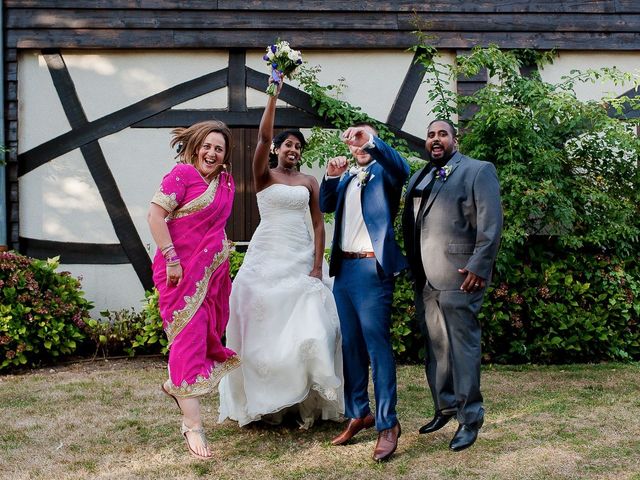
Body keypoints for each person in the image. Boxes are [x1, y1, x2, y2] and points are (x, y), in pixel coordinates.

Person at [217, 76, 344, 429]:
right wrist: (273, 93)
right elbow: (260, 136)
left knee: (313, 322)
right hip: (267, 255)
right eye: (287, 144)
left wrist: (317, 266)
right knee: (263, 323)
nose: (293, 150)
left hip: (301, 255)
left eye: (298, 147)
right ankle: (267, 400)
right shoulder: (264, 176)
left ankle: (307, 397)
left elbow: (319, 225)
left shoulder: (309, 182)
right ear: (276, 149)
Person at [402, 119, 503, 452]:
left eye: (441, 134)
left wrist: (479, 266)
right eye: (430, 134)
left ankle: (470, 418)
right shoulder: (420, 176)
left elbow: (491, 222)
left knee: (462, 348)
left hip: (460, 274)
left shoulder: (477, 170)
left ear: (454, 140)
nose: (435, 139)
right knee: (436, 346)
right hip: (426, 277)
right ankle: (444, 407)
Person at [147, 120, 241, 461]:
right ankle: (192, 424)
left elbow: (214, 225)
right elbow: (155, 217)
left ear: (225, 154)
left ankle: (177, 387)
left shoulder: (225, 182)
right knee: (186, 341)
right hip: (179, 274)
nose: (212, 153)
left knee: (204, 336)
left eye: (219, 148)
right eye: (207, 146)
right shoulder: (180, 176)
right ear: (195, 146)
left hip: (213, 276)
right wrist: (172, 258)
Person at [319, 122, 409, 462]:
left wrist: (372, 142)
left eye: (362, 138)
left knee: (376, 345)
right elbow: (326, 205)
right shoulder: (347, 178)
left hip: (373, 269)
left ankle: (388, 424)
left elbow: (403, 167)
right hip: (345, 271)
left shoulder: (386, 173)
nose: (356, 144)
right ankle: (359, 412)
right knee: (351, 346)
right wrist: (330, 175)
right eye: (352, 139)